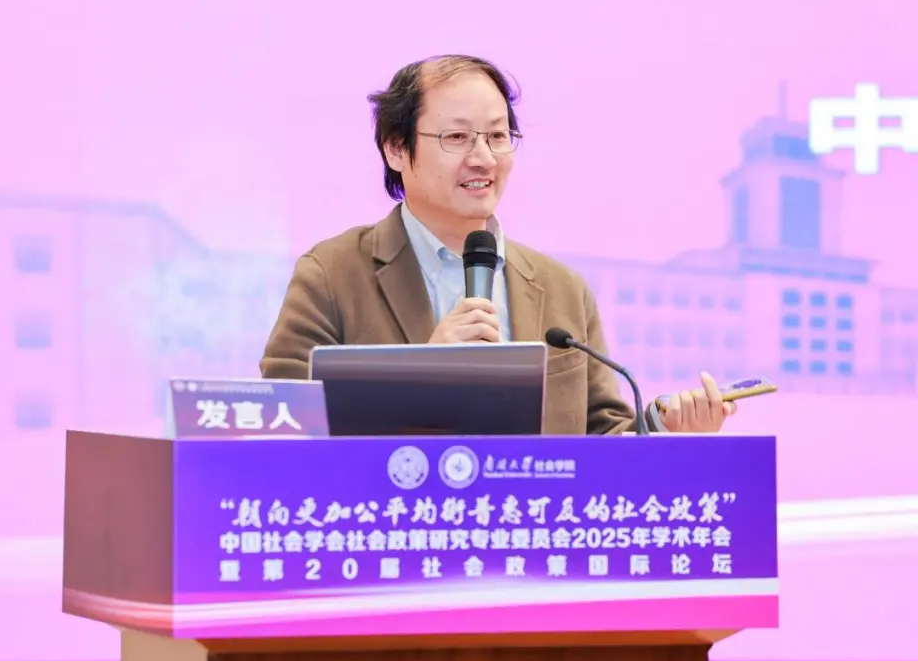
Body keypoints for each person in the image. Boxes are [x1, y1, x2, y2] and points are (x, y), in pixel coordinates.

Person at [259, 54, 735, 434]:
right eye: (457, 137)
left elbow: (600, 437)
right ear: (396, 148)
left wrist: (664, 430)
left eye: (497, 136)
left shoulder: (563, 289)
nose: (483, 158)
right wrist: (417, 379)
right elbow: (282, 424)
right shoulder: (332, 273)